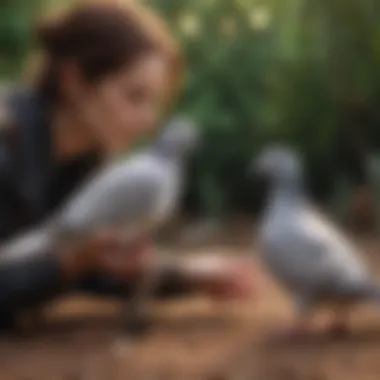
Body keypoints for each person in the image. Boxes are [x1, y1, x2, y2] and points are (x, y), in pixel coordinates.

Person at [0, 1, 259, 330]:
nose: (150, 122)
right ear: (74, 81)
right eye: (134, 97)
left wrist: (183, 275)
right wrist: (67, 264)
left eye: (156, 104)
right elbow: (50, 267)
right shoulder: (6, 147)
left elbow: (78, 268)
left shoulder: (81, 165)